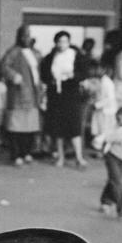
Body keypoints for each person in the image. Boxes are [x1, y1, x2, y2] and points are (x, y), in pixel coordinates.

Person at [40, 30, 87, 168]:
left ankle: (79, 157)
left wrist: (72, 75)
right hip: (56, 94)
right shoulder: (49, 58)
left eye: (65, 41)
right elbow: (44, 75)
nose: (62, 44)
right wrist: (52, 80)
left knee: (74, 125)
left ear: (69, 42)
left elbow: (83, 73)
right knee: (58, 127)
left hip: (71, 93)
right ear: (55, 43)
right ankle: (60, 157)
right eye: (59, 41)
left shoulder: (75, 56)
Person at [2, 25, 42, 166]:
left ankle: (26, 153)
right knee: (16, 127)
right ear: (19, 37)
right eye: (24, 36)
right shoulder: (13, 52)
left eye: (29, 35)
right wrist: (13, 75)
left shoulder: (36, 53)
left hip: (33, 96)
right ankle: (15, 155)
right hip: (18, 96)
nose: (27, 38)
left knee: (30, 127)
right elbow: (4, 67)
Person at [99, 107, 122, 218]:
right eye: (117, 118)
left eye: (120, 119)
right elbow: (107, 138)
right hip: (112, 156)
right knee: (117, 183)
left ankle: (105, 201)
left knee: (113, 180)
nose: (118, 121)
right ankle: (121, 209)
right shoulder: (115, 128)